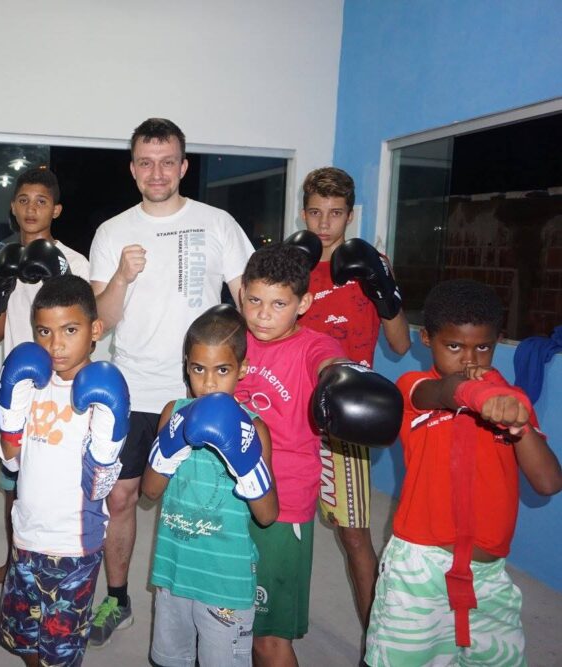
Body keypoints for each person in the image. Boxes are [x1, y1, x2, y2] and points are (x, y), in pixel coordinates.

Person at [87, 117, 255, 646]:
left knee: (211, 498)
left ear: (183, 166)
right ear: (132, 169)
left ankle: (214, 596)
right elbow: (101, 320)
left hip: (203, 389)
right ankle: (118, 598)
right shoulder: (112, 232)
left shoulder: (218, 222)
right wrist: (120, 276)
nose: (156, 172)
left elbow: (249, 302)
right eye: (145, 162)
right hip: (132, 388)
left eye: (167, 161)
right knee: (121, 496)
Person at [365, 279, 562, 667]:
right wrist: (480, 395)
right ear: (427, 339)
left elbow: (548, 481)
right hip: (418, 571)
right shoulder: (414, 388)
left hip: (487, 578)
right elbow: (445, 391)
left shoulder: (510, 403)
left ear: (497, 341)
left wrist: (518, 421)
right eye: (454, 346)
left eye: (483, 347)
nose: (470, 360)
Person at [234, 243, 402, 666]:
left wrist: (339, 379)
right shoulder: (234, 341)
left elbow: (329, 361)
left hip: (283, 501)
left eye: (278, 304)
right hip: (227, 499)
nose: (263, 314)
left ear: (303, 303)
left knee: (268, 637)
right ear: (241, 296)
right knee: (230, 621)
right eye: (254, 300)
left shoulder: (312, 346)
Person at [293, 166, 411, 629]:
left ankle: (377, 640)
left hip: (350, 415)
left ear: (350, 215)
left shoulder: (372, 263)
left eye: (336, 214)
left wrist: (383, 289)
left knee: (355, 535)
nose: (325, 225)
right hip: (293, 410)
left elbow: (400, 345)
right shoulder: (291, 264)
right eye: (317, 213)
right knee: (277, 526)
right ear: (304, 212)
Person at [0, 274, 128, 666]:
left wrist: (105, 448)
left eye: (70, 330)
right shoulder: (30, 384)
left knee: (60, 654)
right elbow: (10, 461)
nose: (56, 344)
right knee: (26, 642)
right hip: (26, 535)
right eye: (44, 332)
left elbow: (101, 486)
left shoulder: (102, 390)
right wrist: (10, 417)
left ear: (95, 330)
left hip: (72, 548)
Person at [141, 306, 278, 667]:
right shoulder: (174, 412)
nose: (209, 383)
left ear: (242, 369)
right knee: (171, 660)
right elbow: (150, 492)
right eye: (198, 369)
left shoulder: (254, 428)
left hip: (225, 584)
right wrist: (169, 450)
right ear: (186, 365)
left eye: (222, 370)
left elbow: (267, 516)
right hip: (174, 571)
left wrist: (247, 467)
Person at [0, 167, 90, 586]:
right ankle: (14, 563)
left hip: (60, 390)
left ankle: (63, 562)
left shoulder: (73, 262)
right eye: (24, 199)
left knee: (57, 479)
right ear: (13, 206)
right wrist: (1, 292)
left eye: (41, 201)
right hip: (15, 386)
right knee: (12, 480)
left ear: (56, 209)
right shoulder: (4, 259)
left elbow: (86, 332)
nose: (31, 208)